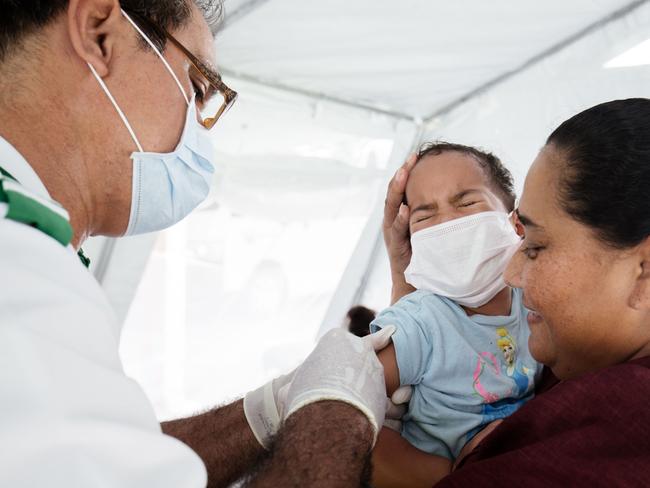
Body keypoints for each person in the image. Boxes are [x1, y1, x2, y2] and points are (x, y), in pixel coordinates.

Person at [0, 2, 403, 486]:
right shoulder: (19, 272)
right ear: (99, 33)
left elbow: (119, 461)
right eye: (196, 87)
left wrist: (271, 408)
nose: (198, 129)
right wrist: (337, 409)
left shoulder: (32, 249)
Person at [382, 99, 650, 485]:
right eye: (426, 216)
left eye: (535, 246)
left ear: (644, 273)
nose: (511, 271)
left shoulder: (621, 420)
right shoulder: (582, 360)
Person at [369, 142, 543, 486]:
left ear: (513, 216)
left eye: (467, 202)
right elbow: (341, 407)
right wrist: (450, 475)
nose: (448, 222)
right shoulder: (421, 322)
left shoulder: (535, 302)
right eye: (424, 215)